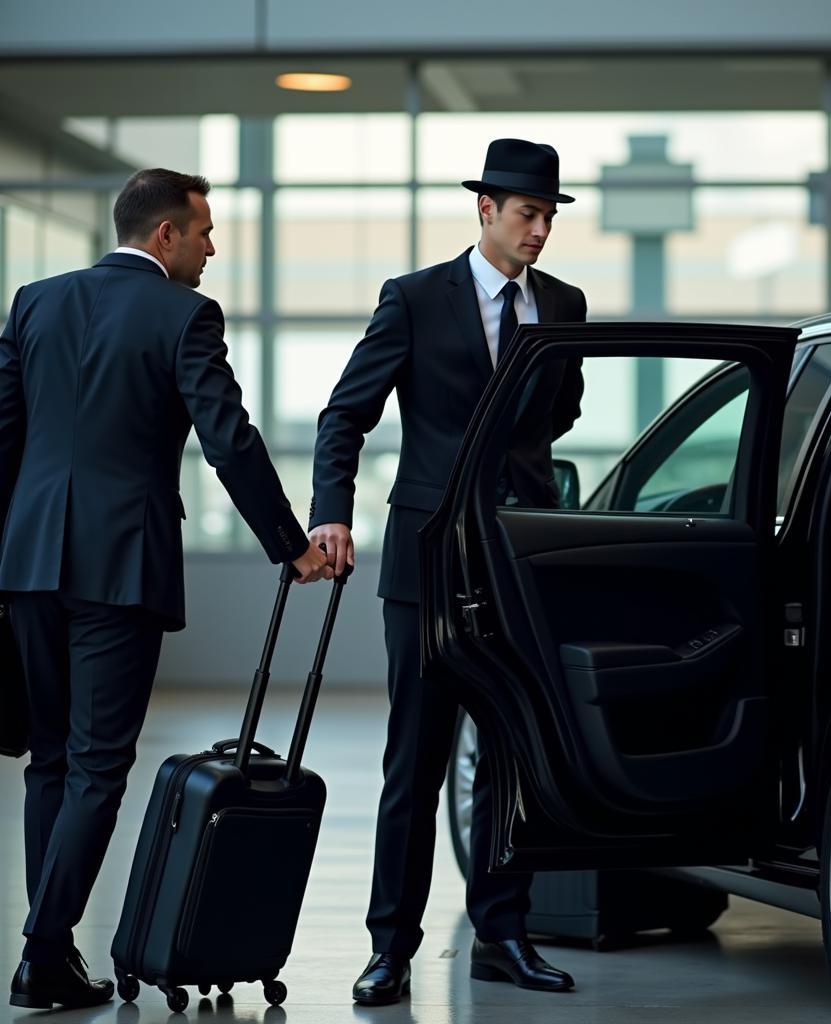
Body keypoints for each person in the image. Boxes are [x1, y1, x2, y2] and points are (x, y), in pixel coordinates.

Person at [0, 168, 328, 1011]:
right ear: (164, 236)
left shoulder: (35, 301)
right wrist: (288, 547)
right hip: (118, 566)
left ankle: (53, 946)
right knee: (98, 768)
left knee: (53, 762)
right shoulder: (185, 314)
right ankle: (41, 955)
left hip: (29, 561)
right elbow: (229, 439)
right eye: (205, 231)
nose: (213, 246)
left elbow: (5, 440)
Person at [309, 138, 586, 1006]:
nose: (540, 230)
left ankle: (504, 934)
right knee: (416, 760)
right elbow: (344, 413)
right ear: (486, 210)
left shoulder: (566, 304)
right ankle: (390, 948)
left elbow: (564, 405)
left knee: (512, 755)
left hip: (517, 558)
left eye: (548, 216)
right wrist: (332, 512)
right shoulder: (416, 299)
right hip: (429, 559)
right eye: (527, 214)